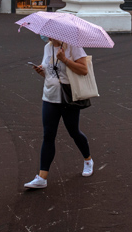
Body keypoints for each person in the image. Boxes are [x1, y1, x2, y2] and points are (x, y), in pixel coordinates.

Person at [24, 36, 94, 189]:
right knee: (48, 135)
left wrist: (64, 59)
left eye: (51, 34)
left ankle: (88, 159)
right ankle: (42, 177)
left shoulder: (73, 47)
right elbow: (50, 72)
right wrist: (40, 71)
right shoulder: (47, 47)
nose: (48, 36)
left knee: (73, 131)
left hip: (68, 97)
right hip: (49, 97)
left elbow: (83, 70)